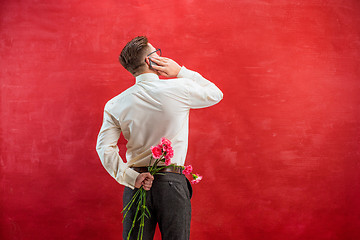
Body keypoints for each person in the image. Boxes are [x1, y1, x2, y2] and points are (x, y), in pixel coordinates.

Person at [96, 36, 223, 240]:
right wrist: (180, 71)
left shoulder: (114, 104)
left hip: (137, 184)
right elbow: (215, 94)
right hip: (172, 183)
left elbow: (104, 148)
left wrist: (130, 178)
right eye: (157, 53)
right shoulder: (180, 87)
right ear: (150, 60)